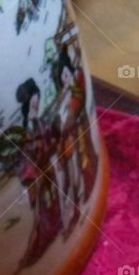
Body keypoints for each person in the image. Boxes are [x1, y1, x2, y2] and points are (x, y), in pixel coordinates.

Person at [13, 77, 62, 271]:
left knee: (53, 194)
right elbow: (26, 158)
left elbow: (49, 143)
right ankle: (42, 239)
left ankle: (57, 224)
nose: (35, 105)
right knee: (42, 205)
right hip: (37, 172)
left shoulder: (39, 124)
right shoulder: (28, 130)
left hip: (46, 169)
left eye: (36, 101)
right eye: (32, 103)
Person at [54, 46, 98, 231]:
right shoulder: (65, 93)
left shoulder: (76, 86)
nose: (66, 78)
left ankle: (86, 191)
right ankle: (75, 206)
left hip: (80, 130)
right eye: (62, 76)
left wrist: (69, 121)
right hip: (70, 136)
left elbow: (76, 106)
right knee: (71, 171)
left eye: (66, 73)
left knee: (84, 159)